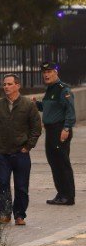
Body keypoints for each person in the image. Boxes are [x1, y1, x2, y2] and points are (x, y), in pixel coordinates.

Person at [0, 73, 44, 226]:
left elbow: (36, 128)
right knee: (3, 183)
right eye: (4, 84)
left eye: (9, 84)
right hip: (3, 153)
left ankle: (19, 215)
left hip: (21, 153)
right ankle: (4, 214)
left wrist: (28, 146)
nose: (6, 87)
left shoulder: (28, 105)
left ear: (17, 86)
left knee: (21, 186)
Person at [39, 60, 75, 206]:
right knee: (54, 163)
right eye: (44, 72)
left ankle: (68, 196)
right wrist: (37, 104)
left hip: (60, 130)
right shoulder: (50, 89)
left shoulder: (62, 89)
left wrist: (66, 128)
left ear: (56, 72)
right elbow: (49, 108)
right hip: (50, 131)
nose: (46, 75)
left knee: (62, 163)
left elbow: (70, 111)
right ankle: (61, 193)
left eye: (49, 72)